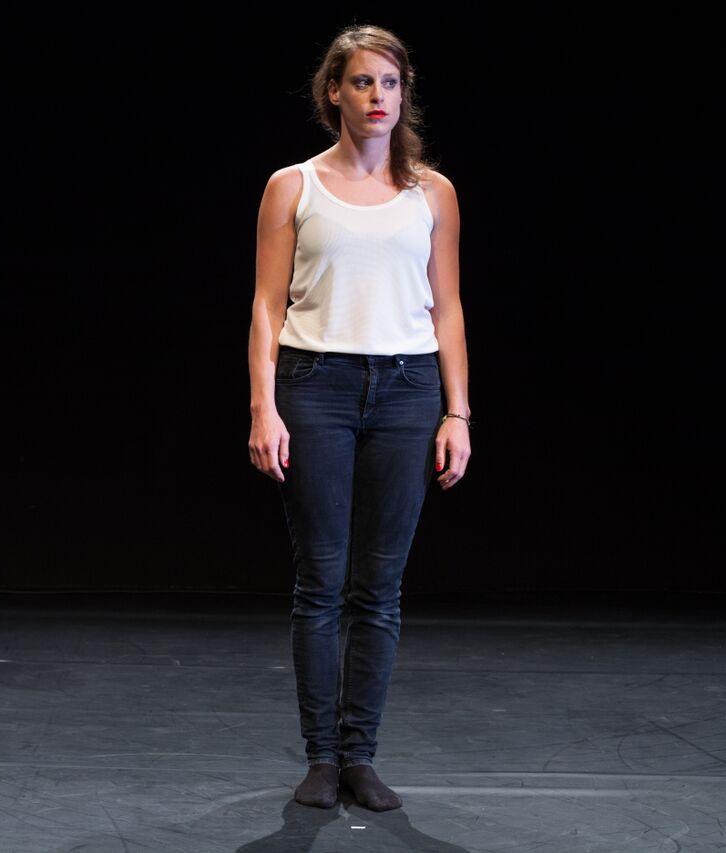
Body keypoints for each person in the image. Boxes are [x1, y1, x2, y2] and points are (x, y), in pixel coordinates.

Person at [247, 26, 471, 810]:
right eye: (363, 83)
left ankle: (360, 754)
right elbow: (267, 306)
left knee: (380, 587)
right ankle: (319, 755)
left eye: (391, 83)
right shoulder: (293, 186)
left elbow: (447, 309)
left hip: (408, 393)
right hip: (317, 385)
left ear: (405, 93)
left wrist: (458, 412)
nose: (378, 97)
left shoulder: (431, 193)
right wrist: (262, 406)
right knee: (322, 581)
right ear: (332, 93)